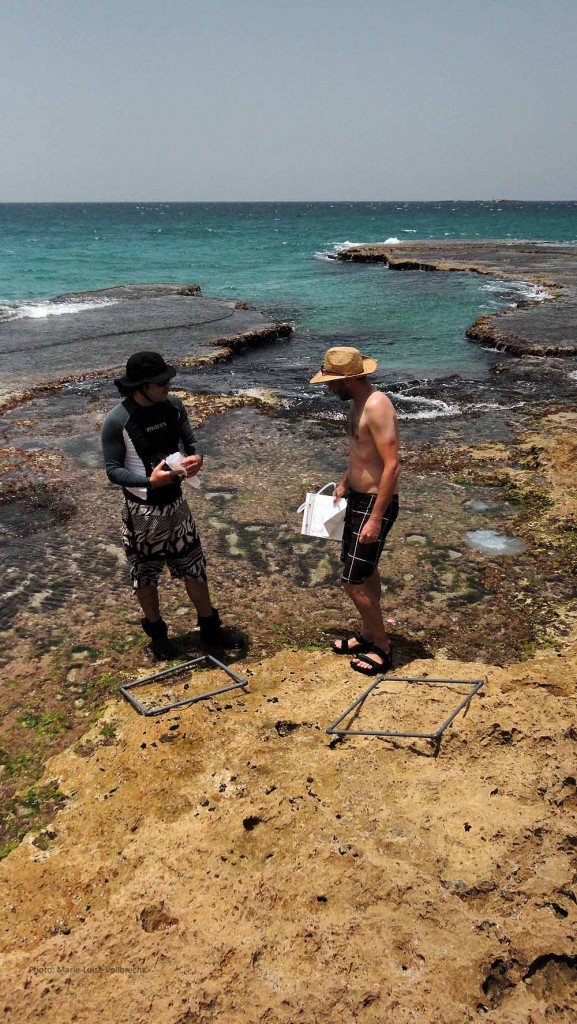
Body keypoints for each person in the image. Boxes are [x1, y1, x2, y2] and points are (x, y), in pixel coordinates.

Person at [101, 350, 242, 659]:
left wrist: (198, 457)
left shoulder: (173, 406)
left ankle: (210, 628)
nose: (168, 384)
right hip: (143, 511)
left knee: (195, 567)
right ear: (141, 386)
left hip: (177, 504)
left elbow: (191, 441)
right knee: (147, 575)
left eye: (167, 379)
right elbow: (112, 470)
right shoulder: (117, 421)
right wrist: (150, 482)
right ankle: (158, 635)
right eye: (161, 381)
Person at [309, 346, 400, 674]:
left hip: (375, 504)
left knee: (352, 581)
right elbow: (362, 455)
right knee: (366, 570)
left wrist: (376, 517)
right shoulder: (356, 404)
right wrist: (345, 483)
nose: (328, 388)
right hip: (357, 499)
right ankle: (367, 632)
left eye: (331, 382)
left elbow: (392, 466)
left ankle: (382, 646)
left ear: (349, 379)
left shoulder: (377, 405)